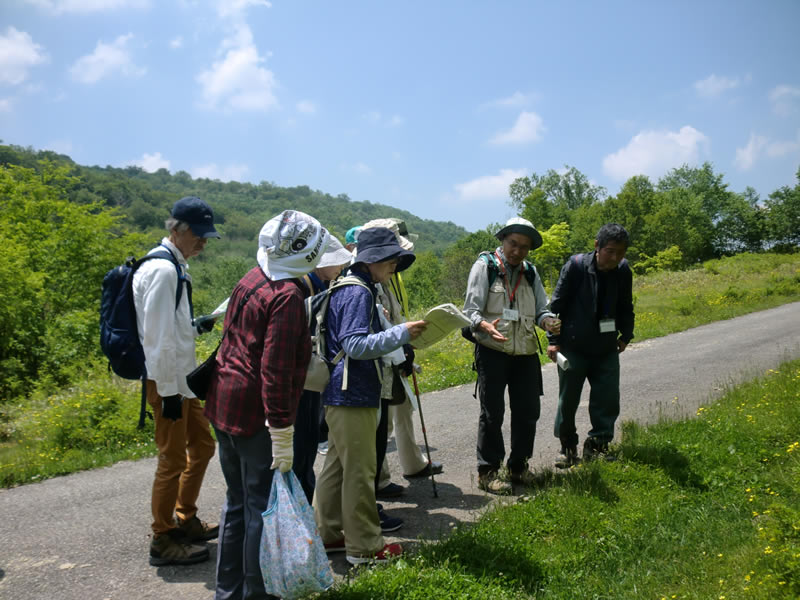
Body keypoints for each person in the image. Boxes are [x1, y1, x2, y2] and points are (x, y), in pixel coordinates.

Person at [204, 210, 330, 600]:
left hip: (224, 404)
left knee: (237, 504)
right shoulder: (288, 296)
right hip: (257, 415)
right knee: (263, 508)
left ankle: (228, 593)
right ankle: (256, 594)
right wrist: (282, 432)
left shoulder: (252, 278)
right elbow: (274, 370)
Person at [313, 227, 427, 566]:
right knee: (361, 473)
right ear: (373, 259)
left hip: (340, 393)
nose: (394, 267)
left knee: (336, 467)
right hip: (353, 393)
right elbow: (355, 345)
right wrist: (400, 333)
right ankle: (365, 547)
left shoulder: (350, 285)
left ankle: (329, 534)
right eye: (391, 260)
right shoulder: (359, 292)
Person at [132, 196, 221, 566]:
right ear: (177, 229)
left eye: (206, 235)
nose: (202, 242)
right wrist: (168, 394)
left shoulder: (174, 266)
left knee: (202, 446)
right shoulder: (163, 271)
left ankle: (185, 519)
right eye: (197, 234)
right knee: (171, 460)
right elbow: (155, 339)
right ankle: (163, 537)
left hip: (181, 381)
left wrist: (194, 324)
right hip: (167, 383)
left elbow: (169, 328)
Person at [463, 217, 561, 494]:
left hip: (526, 353)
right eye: (513, 244)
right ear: (503, 241)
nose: (517, 251)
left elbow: (542, 308)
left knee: (528, 412)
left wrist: (548, 322)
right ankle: (488, 472)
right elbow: (470, 311)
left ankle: (519, 467)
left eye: (524, 247)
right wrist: (480, 324)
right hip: (493, 350)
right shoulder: (485, 267)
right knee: (492, 414)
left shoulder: (530, 272)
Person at [360, 218, 443, 506]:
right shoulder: (367, 279)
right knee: (381, 419)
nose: (398, 260)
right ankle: (379, 480)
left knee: (403, 407)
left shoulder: (391, 274)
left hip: (397, 347)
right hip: (383, 354)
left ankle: (413, 464)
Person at [547, 223, 634, 467]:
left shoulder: (623, 271)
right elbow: (556, 306)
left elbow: (626, 306)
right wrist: (553, 341)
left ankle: (598, 445)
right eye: (610, 251)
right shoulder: (575, 266)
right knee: (568, 401)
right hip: (573, 347)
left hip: (606, 348)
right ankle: (567, 448)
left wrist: (626, 336)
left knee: (607, 400)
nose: (615, 257)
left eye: (621, 252)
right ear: (597, 246)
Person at [293, 236, 353, 504]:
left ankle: (306, 507)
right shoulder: (304, 287)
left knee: (305, 445)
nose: (340, 266)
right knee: (301, 445)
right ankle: (304, 511)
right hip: (303, 380)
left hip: (309, 376)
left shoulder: (318, 283)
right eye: (335, 261)